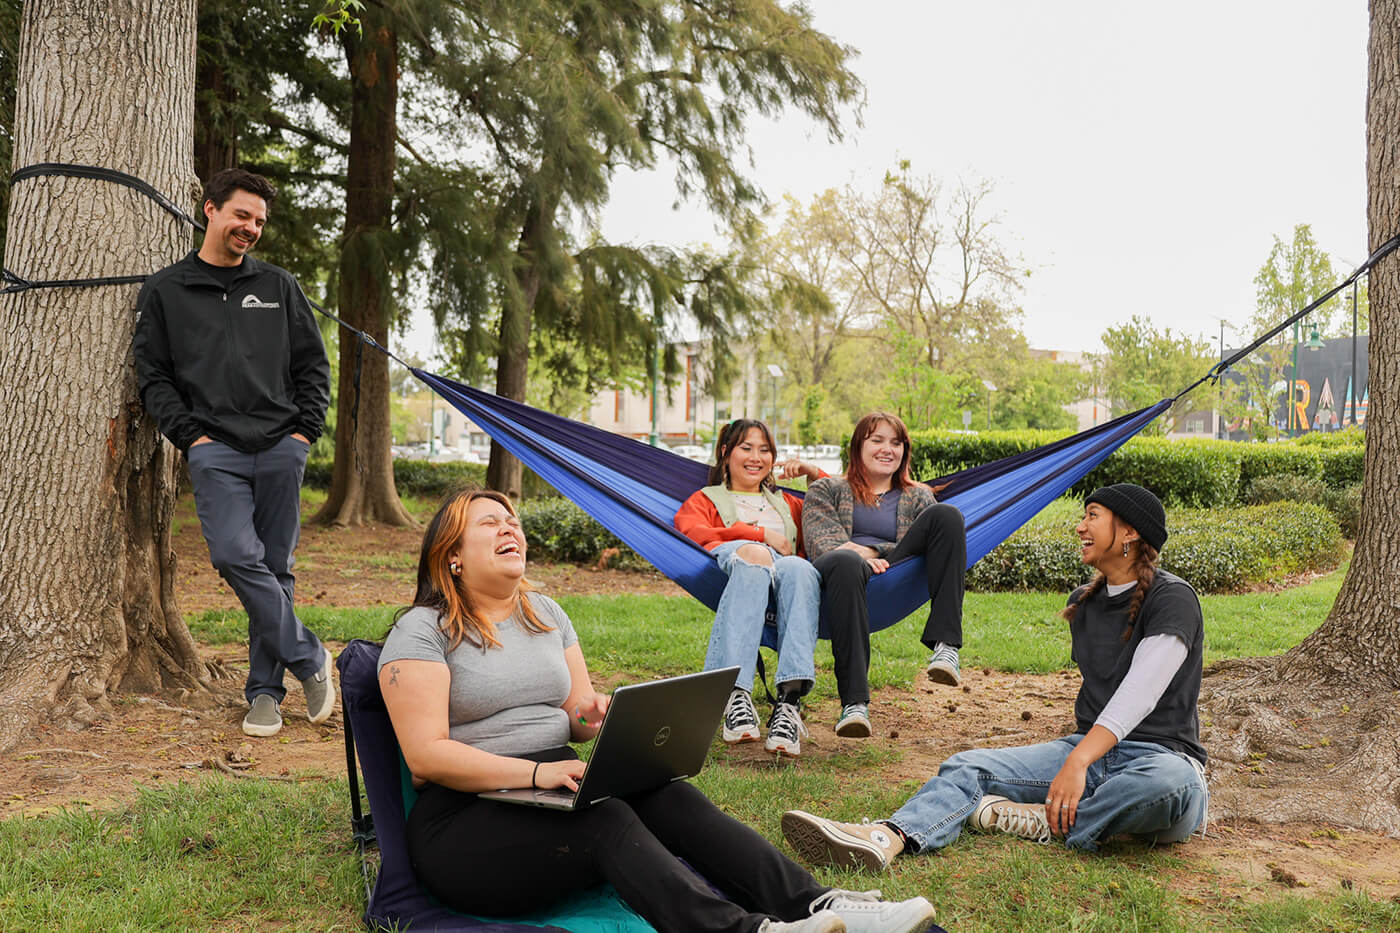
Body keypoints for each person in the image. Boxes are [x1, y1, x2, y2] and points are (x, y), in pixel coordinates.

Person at [377, 488, 936, 933]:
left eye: (512, 520)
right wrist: (538, 773)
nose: (509, 528)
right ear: (451, 555)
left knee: (666, 791)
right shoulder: (422, 630)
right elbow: (427, 758)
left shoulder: (546, 614)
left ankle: (821, 904)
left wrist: (596, 717)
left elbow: (575, 714)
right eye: (489, 522)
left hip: (552, 791)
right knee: (605, 816)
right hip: (465, 826)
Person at [781, 484, 1208, 866]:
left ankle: (1048, 820)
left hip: (1160, 758)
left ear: (1130, 532)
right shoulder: (1084, 602)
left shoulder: (1173, 598)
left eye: (1092, 516)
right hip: (1088, 753)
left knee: (1169, 785)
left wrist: (1078, 761)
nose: (1080, 527)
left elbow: (1141, 692)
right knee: (967, 767)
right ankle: (888, 836)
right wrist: (1080, 757)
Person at [133, 168, 333, 738]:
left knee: (275, 569)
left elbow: (312, 368)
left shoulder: (278, 286)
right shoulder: (166, 291)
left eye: (260, 221)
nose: (251, 228)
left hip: (281, 449)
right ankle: (308, 657)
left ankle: (265, 695)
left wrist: (302, 435)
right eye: (242, 215)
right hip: (214, 450)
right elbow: (154, 377)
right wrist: (191, 437)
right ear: (210, 210)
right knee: (232, 555)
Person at [801, 412, 967, 738]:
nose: (887, 449)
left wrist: (875, 551)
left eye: (896, 442)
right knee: (848, 562)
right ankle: (854, 704)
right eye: (876, 440)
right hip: (839, 576)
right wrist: (857, 556)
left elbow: (930, 545)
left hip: (891, 574)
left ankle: (947, 646)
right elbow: (824, 545)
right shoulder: (826, 489)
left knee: (947, 515)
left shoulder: (918, 497)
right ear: (858, 446)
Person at [674, 419, 825, 756]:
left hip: (785, 574)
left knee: (802, 569)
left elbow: (841, 502)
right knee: (756, 556)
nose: (756, 457)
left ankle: (789, 700)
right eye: (746, 448)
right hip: (739, 561)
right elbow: (690, 530)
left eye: (765, 450)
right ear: (726, 452)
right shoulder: (708, 499)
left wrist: (810, 469)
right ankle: (734, 694)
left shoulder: (787, 503)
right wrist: (759, 535)